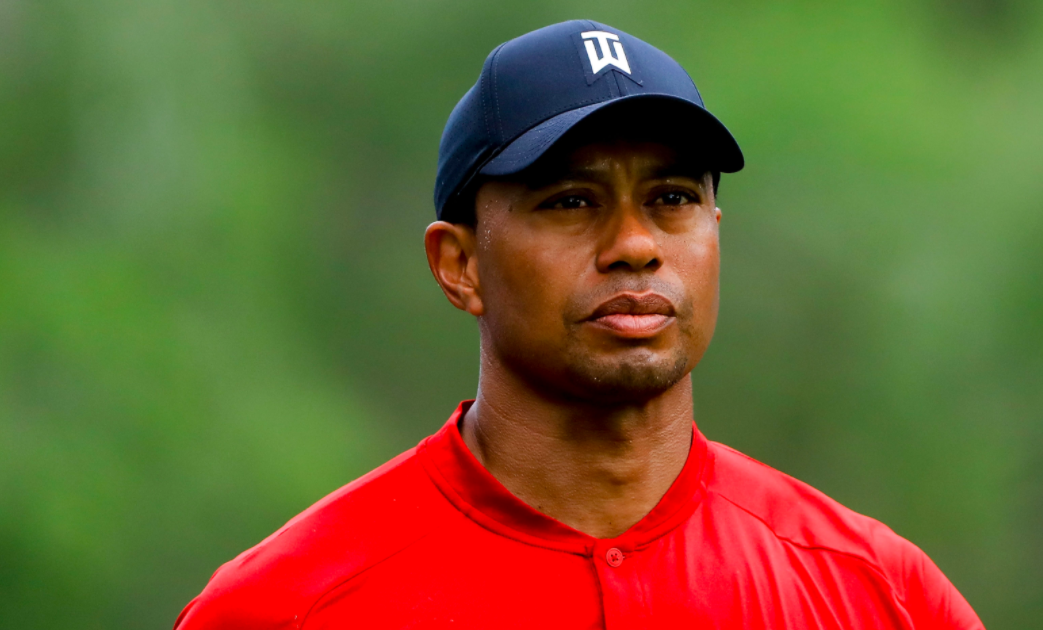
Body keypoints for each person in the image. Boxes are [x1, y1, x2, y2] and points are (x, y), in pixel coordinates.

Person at [175, 20, 985, 629]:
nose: (635, 245)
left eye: (672, 198)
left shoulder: (876, 590)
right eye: (570, 202)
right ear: (460, 266)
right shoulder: (287, 605)